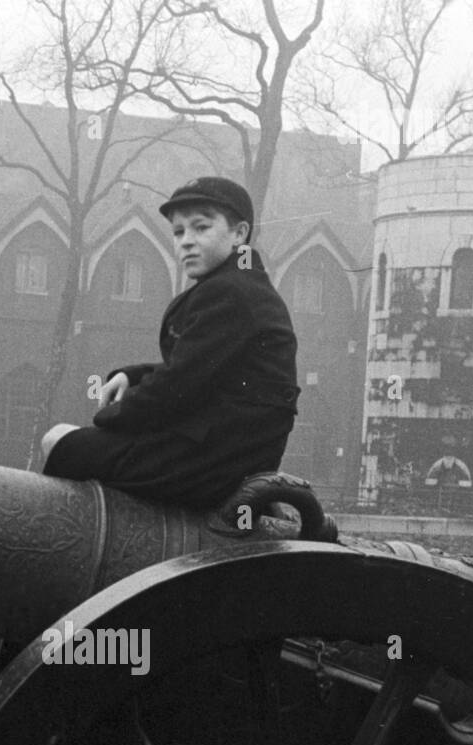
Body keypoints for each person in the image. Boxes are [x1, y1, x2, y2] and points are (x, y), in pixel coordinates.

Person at [41, 176, 300, 511]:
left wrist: (109, 419)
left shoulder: (229, 293)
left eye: (201, 228)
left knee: (58, 440)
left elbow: (177, 386)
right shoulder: (244, 287)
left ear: (239, 233)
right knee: (72, 441)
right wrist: (132, 377)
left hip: (213, 462)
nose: (186, 242)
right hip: (229, 453)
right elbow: (202, 366)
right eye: (179, 232)